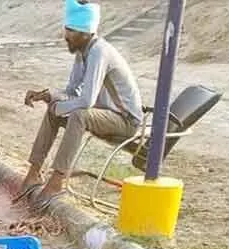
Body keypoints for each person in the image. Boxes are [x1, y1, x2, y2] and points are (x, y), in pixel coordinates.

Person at [18, 0, 143, 209]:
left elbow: (86, 101)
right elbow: (71, 92)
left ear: (85, 33)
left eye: (71, 31)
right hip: (104, 115)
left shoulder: (99, 52)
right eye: (66, 29)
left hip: (126, 120)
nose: (65, 35)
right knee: (54, 109)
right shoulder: (82, 52)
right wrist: (48, 96)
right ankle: (33, 172)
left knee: (79, 115)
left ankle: (56, 182)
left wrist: (60, 106)